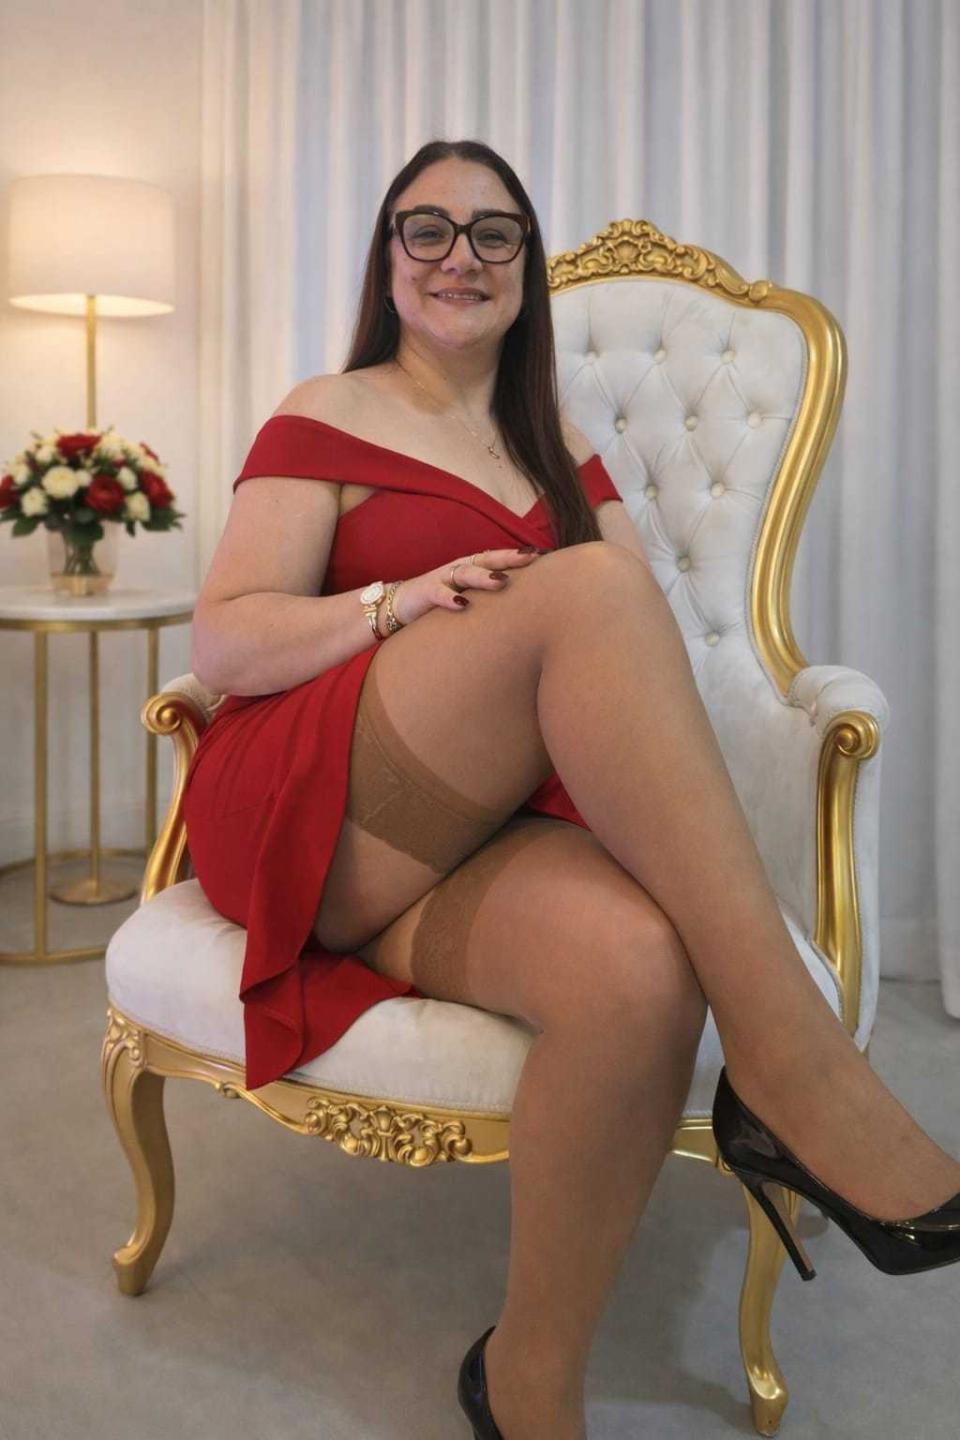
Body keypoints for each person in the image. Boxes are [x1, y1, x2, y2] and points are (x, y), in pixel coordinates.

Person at [184, 139, 960, 1440]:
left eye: (494, 233)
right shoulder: (328, 412)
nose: (461, 256)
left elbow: (629, 675)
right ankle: (793, 1064)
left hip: (475, 832)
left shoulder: (562, 451)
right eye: (428, 229)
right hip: (314, 807)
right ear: (387, 258)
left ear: (526, 267)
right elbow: (224, 641)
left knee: (641, 971)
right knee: (595, 582)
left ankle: (527, 1376)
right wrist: (395, 604)